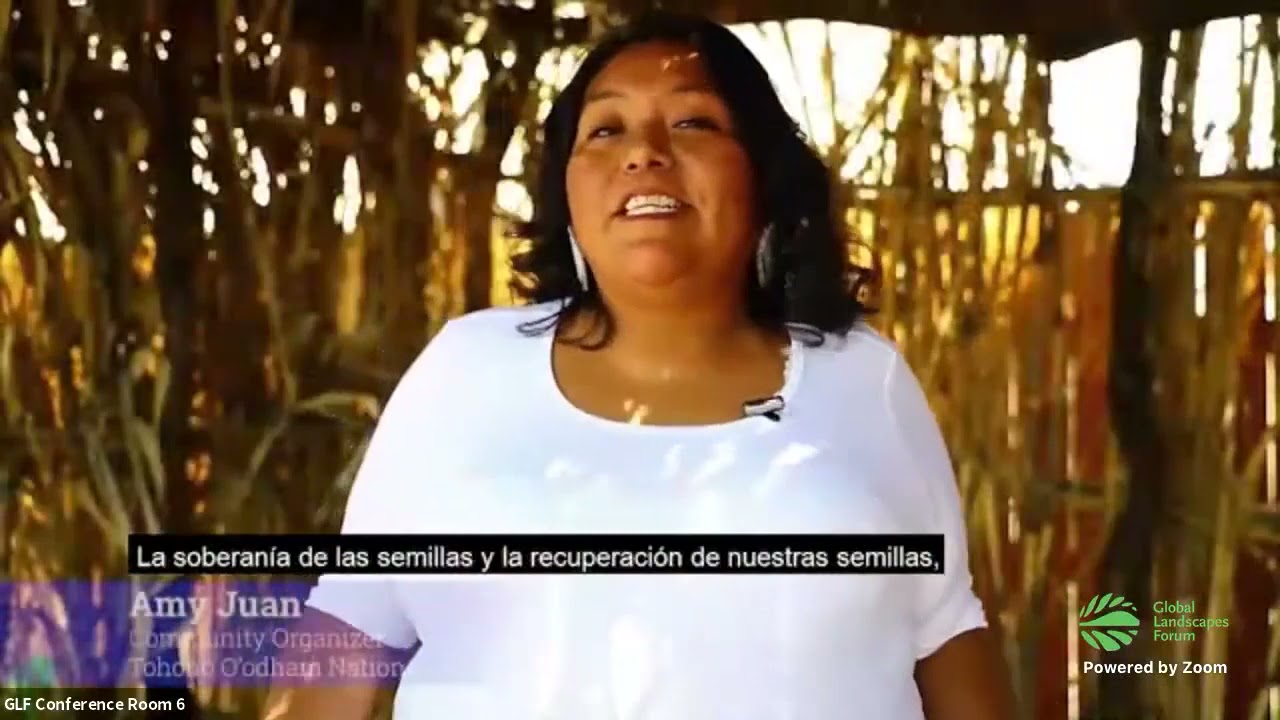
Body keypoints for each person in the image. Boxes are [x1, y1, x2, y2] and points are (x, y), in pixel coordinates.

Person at [265, 11, 1013, 720]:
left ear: (762, 178)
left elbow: (946, 632)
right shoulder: (464, 374)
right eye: (605, 129)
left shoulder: (863, 380)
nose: (643, 152)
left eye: (692, 123)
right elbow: (351, 623)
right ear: (566, 189)